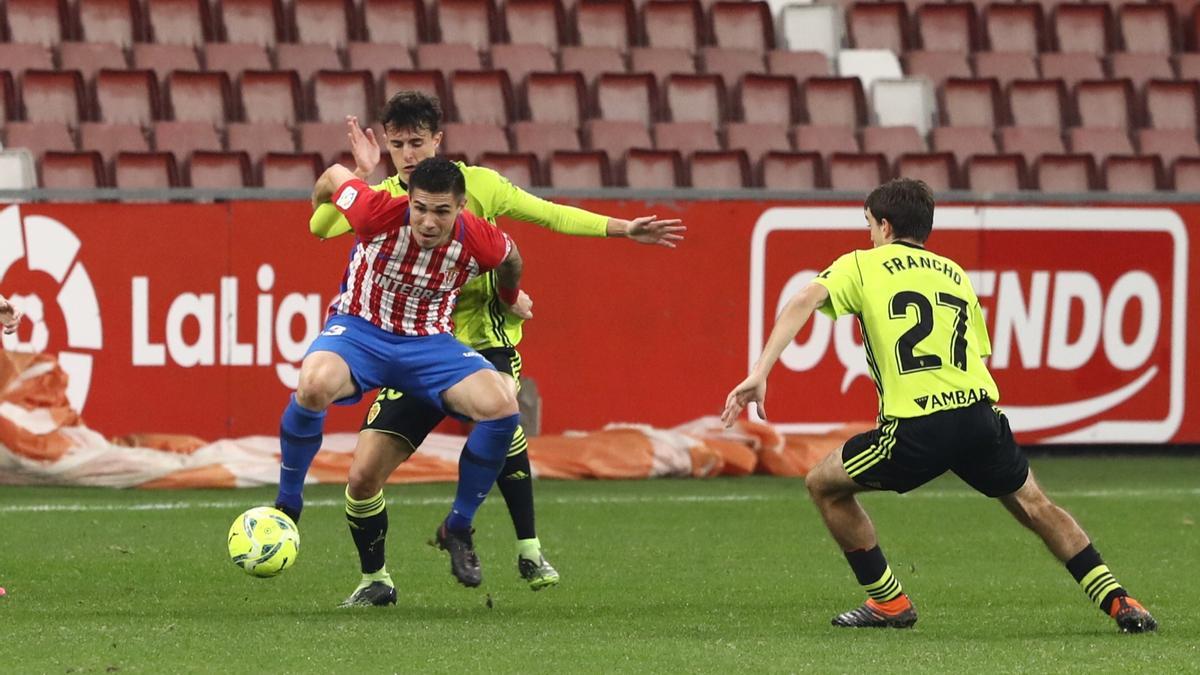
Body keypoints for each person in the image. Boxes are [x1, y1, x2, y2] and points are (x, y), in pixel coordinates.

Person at [299, 90, 685, 606]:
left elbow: (549, 214)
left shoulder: (478, 185)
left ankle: (524, 546)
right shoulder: (387, 197)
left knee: (502, 407)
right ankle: (376, 581)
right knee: (363, 474)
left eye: (418, 143)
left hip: (481, 341)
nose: (408, 155)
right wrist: (361, 174)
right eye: (398, 145)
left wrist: (622, 229)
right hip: (413, 347)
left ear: (438, 141)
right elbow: (320, 226)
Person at [721, 178, 1157, 633]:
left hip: (916, 427)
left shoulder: (863, 264)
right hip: (978, 416)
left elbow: (804, 299)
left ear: (885, 226)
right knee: (1034, 504)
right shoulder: (953, 273)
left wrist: (761, 371)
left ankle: (888, 601)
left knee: (823, 484)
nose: (869, 235)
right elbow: (977, 353)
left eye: (869, 225)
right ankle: (1119, 600)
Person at [281, 156, 529, 604]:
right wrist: (318, 201)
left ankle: (458, 525)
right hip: (360, 331)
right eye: (420, 208)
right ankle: (288, 506)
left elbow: (511, 259)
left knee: (502, 404)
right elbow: (335, 175)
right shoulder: (374, 211)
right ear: (409, 200)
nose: (428, 222)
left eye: (442, 211)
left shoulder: (479, 237)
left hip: (429, 344)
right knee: (314, 385)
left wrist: (509, 297)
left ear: (461, 207)